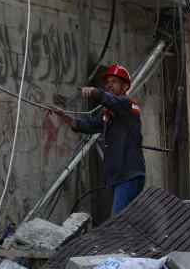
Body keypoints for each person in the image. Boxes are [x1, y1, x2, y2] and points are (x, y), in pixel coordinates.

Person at [49, 64, 146, 217]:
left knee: (116, 226)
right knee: (124, 226)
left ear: (125, 87)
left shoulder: (127, 104)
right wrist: (64, 116)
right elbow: (89, 125)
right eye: (107, 81)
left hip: (129, 175)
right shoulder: (108, 113)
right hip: (119, 177)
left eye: (114, 81)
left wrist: (94, 91)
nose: (109, 84)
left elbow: (108, 99)